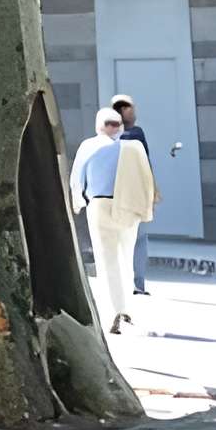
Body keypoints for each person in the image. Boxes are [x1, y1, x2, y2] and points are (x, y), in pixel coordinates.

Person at [70, 105, 155, 334]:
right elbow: (146, 179)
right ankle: (126, 308)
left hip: (99, 205)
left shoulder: (89, 146)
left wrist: (78, 203)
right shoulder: (133, 148)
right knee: (126, 257)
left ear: (99, 126)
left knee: (106, 259)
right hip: (128, 206)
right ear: (119, 126)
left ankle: (114, 311)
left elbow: (76, 179)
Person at [111, 93, 158, 295]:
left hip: (122, 195)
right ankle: (136, 283)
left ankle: (133, 283)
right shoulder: (134, 135)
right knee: (137, 240)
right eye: (131, 109)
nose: (135, 113)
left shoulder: (109, 137)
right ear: (122, 112)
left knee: (133, 239)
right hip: (131, 195)